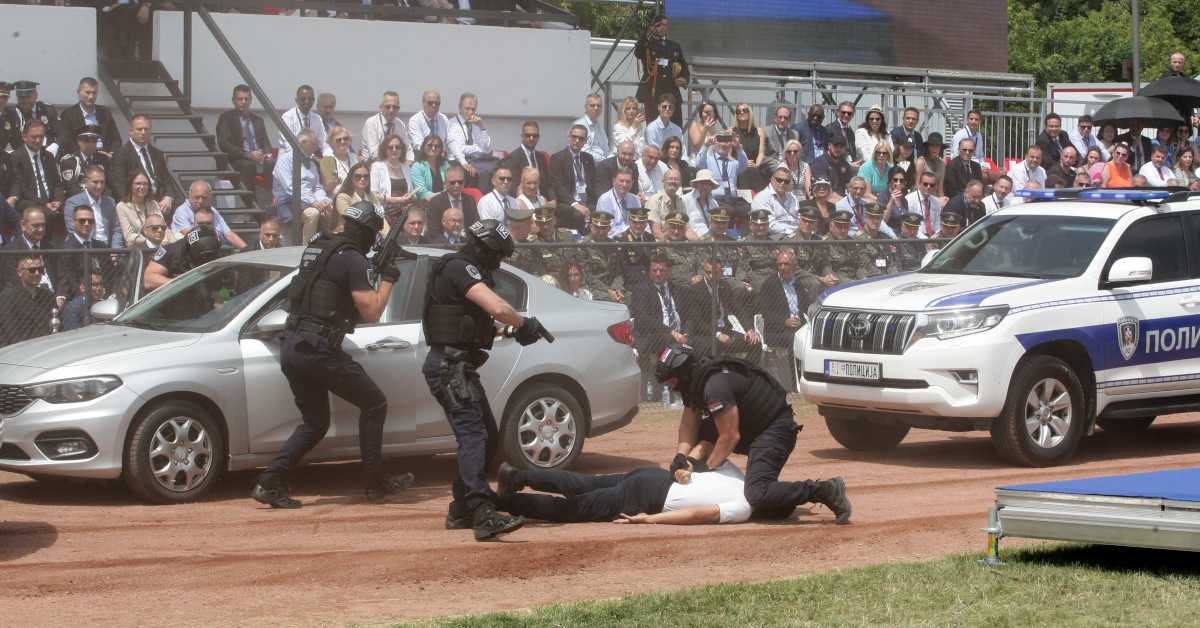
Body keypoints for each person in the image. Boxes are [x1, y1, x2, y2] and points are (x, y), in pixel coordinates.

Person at [251, 203, 415, 509]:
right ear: (366, 232)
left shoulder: (319, 246)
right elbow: (372, 312)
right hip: (319, 350)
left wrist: (372, 269)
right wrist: (389, 278)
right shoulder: (353, 259)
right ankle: (375, 483)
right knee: (374, 403)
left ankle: (269, 480)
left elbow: (328, 288)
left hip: (295, 345)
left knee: (315, 423)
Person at [423, 219, 551, 540]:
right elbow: (497, 307)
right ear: (485, 248)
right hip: (449, 367)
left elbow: (476, 324)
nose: (498, 263)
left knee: (488, 436)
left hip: (459, 366)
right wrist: (523, 323)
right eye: (497, 256)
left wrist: (512, 331)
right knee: (473, 436)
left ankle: (462, 507)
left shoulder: (465, 270)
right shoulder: (459, 267)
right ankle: (482, 512)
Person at [658, 343, 850, 522]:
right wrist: (681, 457)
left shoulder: (714, 386)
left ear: (683, 373)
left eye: (672, 382)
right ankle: (780, 504)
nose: (671, 387)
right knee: (762, 506)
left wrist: (706, 471)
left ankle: (824, 490)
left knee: (756, 493)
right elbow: (689, 426)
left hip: (774, 430)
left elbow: (729, 437)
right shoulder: (698, 381)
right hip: (754, 427)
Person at [498, 456, 752, 525]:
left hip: (655, 475)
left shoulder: (741, 479)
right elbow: (700, 515)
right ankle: (499, 501)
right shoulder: (745, 507)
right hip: (647, 496)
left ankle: (516, 475)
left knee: (581, 484)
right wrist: (649, 519)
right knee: (574, 509)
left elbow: (710, 458)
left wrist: (684, 463)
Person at [630, 253, 689, 396]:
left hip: (679, 334)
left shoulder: (677, 289)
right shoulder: (641, 290)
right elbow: (643, 319)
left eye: (661, 270)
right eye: (654, 270)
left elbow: (687, 314)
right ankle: (671, 391)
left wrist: (686, 332)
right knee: (671, 342)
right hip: (651, 336)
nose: (657, 274)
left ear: (668, 271)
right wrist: (671, 332)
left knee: (702, 343)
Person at [216, 84, 275, 208]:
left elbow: (265, 143)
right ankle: (250, 206)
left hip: (259, 158)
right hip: (238, 158)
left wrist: (267, 155)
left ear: (250, 100)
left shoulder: (258, 120)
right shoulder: (226, 118)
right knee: (248, 166)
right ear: (234, 100)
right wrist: (248, 154)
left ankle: (275, 202)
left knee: (274, 163)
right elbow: (223, 143)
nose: (243, 102)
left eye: (246, 99)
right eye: (240, 99)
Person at [272, 129, 334, 245]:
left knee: (330, 209)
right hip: (288, 203)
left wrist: (324, 201)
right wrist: (313, 202)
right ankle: (305, 247)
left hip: (307, 203)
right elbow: (290, 188)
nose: (316, 148)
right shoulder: (284, 161)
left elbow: (317, 187)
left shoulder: (310, 163)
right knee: (313, 213)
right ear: (302, 142)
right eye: (314, 144)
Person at [109, 114, 172, 211]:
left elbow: (167, 180)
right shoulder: (121, 154)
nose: (143, 132)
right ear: (130, 131)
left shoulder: (157, 154)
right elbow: (119, 186)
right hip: (137, 203)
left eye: (146, 129)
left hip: (160, 202)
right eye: (139, 129)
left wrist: (168, 197)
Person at [635, 13, 689, 127]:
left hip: (671, 91)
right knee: (653, 126)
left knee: (675, 126)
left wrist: (684, 79)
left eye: (665, 25)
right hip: (653, 92)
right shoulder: (647, 44)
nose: (663, 27)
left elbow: (684, 67)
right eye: (659, 25)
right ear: (653, 27)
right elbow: (638, 53)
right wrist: (646, 35)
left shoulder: (674, 46)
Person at [7, 121, 64, 217]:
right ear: (24, 137)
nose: (38, 140)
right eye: (34, 137)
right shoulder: (16, 157)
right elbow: (21, 189)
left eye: (41, 137)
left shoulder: (48, 156)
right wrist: (44, 204)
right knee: (46, 214)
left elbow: (57, 184)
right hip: (28, 202)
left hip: (50, 203)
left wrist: (57, 201)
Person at [142, 225, 222, 292]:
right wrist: (183, 284)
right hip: (174, 300)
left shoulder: (218, 253)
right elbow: (148, 280)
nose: (205, 259)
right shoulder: (171, 251)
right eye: (203, 255)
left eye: (209, 255)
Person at [0, 255, 57, 347]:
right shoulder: (7, 297)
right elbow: (10, 332)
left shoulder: (47, 296)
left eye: (40, 269)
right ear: (19, 272)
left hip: (47, 346)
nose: (37, 273)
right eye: (32, 270)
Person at [548, 124, 598, 230]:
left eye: (581, 138)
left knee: (602, 214)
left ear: (586, 141)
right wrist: (575, 204)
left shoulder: (588, 158)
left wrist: (592, 204)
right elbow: (558, 187)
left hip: (586, 202)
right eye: (574, 137)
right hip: (568, 203)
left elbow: (593, 185)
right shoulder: (558, 158)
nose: (577, 140)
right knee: (578, 215)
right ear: (569, 137)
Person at [57, 77, 121, 157]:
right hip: (81, 159)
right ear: (78, 92)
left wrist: (111, 153)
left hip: (105, 157)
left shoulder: (105, 112)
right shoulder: (68, 115)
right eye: (87, 92)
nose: (91, 97)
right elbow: (68, 142)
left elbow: (116, 140)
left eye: (94, 93)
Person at [446, 92, 496, 190]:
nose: (470, 112)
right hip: (458, 160)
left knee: (497, 171)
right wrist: (476, 148)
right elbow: (459, 148)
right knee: (477, 173)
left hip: (476, 160)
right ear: (460, 107)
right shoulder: (452, 124)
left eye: (473, 109)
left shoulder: (476, 123)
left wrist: (482, 126)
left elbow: (485, 148)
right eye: (467, 108)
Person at [64, 165, 123, 248]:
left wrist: (116, 251)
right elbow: (73, 230)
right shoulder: (73, 202)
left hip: (108, 250)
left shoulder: (110, 202)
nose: (99, 186)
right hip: (85, 249)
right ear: (85, 182)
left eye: (102, 182)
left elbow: (117, 229)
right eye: (95, 182)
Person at [503, 121, 553, 203]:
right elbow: (513, 187)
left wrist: (553, 200)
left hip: (542, 201)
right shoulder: (513, 158)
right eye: (528, 135)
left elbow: (548, 184)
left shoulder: (541, 157)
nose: (531, 138)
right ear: (522, 136)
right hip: (524, 202)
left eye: (535, 136)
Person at [58, 124, 112, 199]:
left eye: (94, 141)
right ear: (79, 142)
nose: (90, 144)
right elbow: (71, 188)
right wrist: (91, 200)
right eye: (86, 141)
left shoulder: (103, 159)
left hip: (100, 200)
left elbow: (109, 184)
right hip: (78, 202)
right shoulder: (69, 161)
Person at [426, 164, 478, 241]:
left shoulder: (470, 200)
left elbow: (476, 225)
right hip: (445, 245)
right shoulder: (435, 203)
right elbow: (434, 232)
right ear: (445, 184)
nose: (457, 185)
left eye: (460, 182)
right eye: (452, 182)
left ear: (464, 182)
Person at [6, 81, 59, 156]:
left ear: (36, 95)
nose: (24, 100)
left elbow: (63, 133)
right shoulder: (11, 114)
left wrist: (54, 147)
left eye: (27, 97)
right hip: (22, 157)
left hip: (48, 153)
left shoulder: (47, 110)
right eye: (21, 97)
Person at [369, 134, 416, 217]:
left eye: (398, 147)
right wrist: (395, 200)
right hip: (386, 213)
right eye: (390, 147)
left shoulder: (406, 167)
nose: (394, 150)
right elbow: (373, 195)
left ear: (402, 150)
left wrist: (411, 196)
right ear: (385, 150)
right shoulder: (377, 166)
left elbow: (410, 191)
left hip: (406, 212)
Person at [116, 171, 165, 248]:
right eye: (138, 184)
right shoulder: (122, 207)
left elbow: (163, 227)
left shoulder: (153, 204)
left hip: (157, 247)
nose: (142, 187)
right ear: (130, 186)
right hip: (136, 252)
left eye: (145, 184)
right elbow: (129, 237)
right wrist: (149, 241)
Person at [752, 163, 800, 237]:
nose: (782, 183)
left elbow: (799, 217)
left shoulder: (792, 196)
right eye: (779, 180)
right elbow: (769, 225)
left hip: (795, 234)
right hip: (776, 236)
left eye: (786, 181)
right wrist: (791, 231)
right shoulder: (762, 197)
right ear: (771, 179)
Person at [279, 85, 326, 156]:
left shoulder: (317, 118)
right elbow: (288, 144)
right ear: (296, 100)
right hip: (289, 158)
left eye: (310, 99)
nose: (307, 102)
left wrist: (328, 154)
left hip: (312, 159)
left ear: (313, 100)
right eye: (303, 99)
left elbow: (323, 142)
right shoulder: (287, 117)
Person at [359, 91, 405, 161]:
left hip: (394, 163)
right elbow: (374, 153)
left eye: (395, 107)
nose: (391, 110)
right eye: (388, 107)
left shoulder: (401, 124)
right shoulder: (371, 123)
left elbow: (407, 148)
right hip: (373, 163)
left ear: (398, 109)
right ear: (381, 107)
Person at [408, 90, 450, 164]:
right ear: (423, 103)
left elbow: (449, 141)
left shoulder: (444, 119)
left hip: (441, 158)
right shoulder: (414, 120)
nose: (434, 105)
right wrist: (438, 151)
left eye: (437, 103)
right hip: (422, 158)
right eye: (430, 103)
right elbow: (418, 144)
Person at [595, 166, 640, 234]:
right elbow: (607, 228)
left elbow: (640, 222)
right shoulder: (605, 200)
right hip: (613, 240)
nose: (624, 185)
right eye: (621, 181)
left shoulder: (635, 199)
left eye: (628, 182)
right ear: (613, 181)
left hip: (633, 237)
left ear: (632, 183)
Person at [318, 126, 359, 199]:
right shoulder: (327, 160)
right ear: (331, 143)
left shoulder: (354, 157)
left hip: (355, 196)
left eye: (345, 139)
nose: (342, 142)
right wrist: (334, 183)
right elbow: (327, 189)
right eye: (338, 140)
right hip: (337, 199)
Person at [810, 136, 852, 201]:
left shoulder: (844, 164)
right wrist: (844, 202)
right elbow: (824, 190)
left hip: (842, 198)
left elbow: (849, 185)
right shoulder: (819, 163)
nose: (838, 149)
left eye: (841, 147)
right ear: (829, 145)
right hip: (825, 198)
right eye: (835, 146)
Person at [411, 134, 451, 200]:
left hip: (445, 200)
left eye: (437, 146)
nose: (433, 148)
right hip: (425, 203)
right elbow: (422, 192)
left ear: (441, 148)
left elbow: (450, 184)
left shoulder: (445, 164)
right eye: (429, 145)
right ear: (423, 147)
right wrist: (441, 196)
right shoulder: (417, 166)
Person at [574, 94, 611, 162]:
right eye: (592, 105)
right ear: (586, 107)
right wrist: (605, 160)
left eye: (599, 106)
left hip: (601, 165)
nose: (596, 108)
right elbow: (583, 152)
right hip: (587, 166)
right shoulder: (580, 125)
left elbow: (606, 149)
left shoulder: (599, 126)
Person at [906, 171, 942, 238]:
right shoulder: (909, 200)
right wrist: (926, 239)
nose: (928, 187)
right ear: (919, 184)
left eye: (932, 185)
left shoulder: (936, 202)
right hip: (916, 238)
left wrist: (935, 236)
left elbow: (938, 224)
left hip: (933, 239)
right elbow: (911, 226)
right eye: (925, 184)